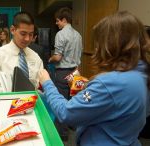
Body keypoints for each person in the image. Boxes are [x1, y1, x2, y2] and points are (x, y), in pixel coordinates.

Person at [38, 11, 150, 146]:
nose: (97, 48)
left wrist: (47, 82)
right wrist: (89, 89)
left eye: (99, 42)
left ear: (112, 44)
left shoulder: (109, 83)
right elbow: (115, 104)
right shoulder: (141, 72)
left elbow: (66, 112)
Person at [0, 11, 43, 93]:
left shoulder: (35, 57)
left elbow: (39, 85)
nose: (27, 39)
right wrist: (13, 93)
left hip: (32, 103)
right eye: (23, 34)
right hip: (7, 104)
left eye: (31, 34)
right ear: (13, 30)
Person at [48, 7, 83, 141]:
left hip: (62, 72)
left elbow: (57, 57)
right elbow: (78, 55)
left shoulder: (61, 34)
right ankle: (73, 126)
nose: (57, 24)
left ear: (64, 20)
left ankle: (63, 134)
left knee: (61, 102)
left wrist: (49, 59)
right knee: (74, 100)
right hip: (75, 71)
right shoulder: (78, 35)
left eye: (58, 21)